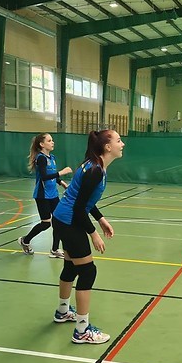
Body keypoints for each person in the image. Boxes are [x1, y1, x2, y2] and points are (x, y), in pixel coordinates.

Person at [51, 129, 124, 344]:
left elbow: (83, 200)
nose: (122, 144)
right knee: (87, 271)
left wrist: (101, 219)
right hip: (69, 221)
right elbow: (79, 208)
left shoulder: (94, 165)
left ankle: (63, 311)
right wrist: (93, 234)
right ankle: (82, 330)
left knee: (71, 267)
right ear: (107, 147)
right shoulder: (95, 171)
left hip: (62, 218)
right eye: (119, 140)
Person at [18, 133, 72, 258]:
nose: (52, 142)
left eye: (52, 140)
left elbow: (51, 174)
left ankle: (54, 250)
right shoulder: (41, 158)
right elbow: (44, 176)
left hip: (53, 194)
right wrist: (61, 173)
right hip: (42, 195)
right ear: (42, 144)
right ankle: (25, 240)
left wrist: (61, 183)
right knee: (46, 223)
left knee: (58, 221)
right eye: (49, 140)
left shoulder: (51, 157)